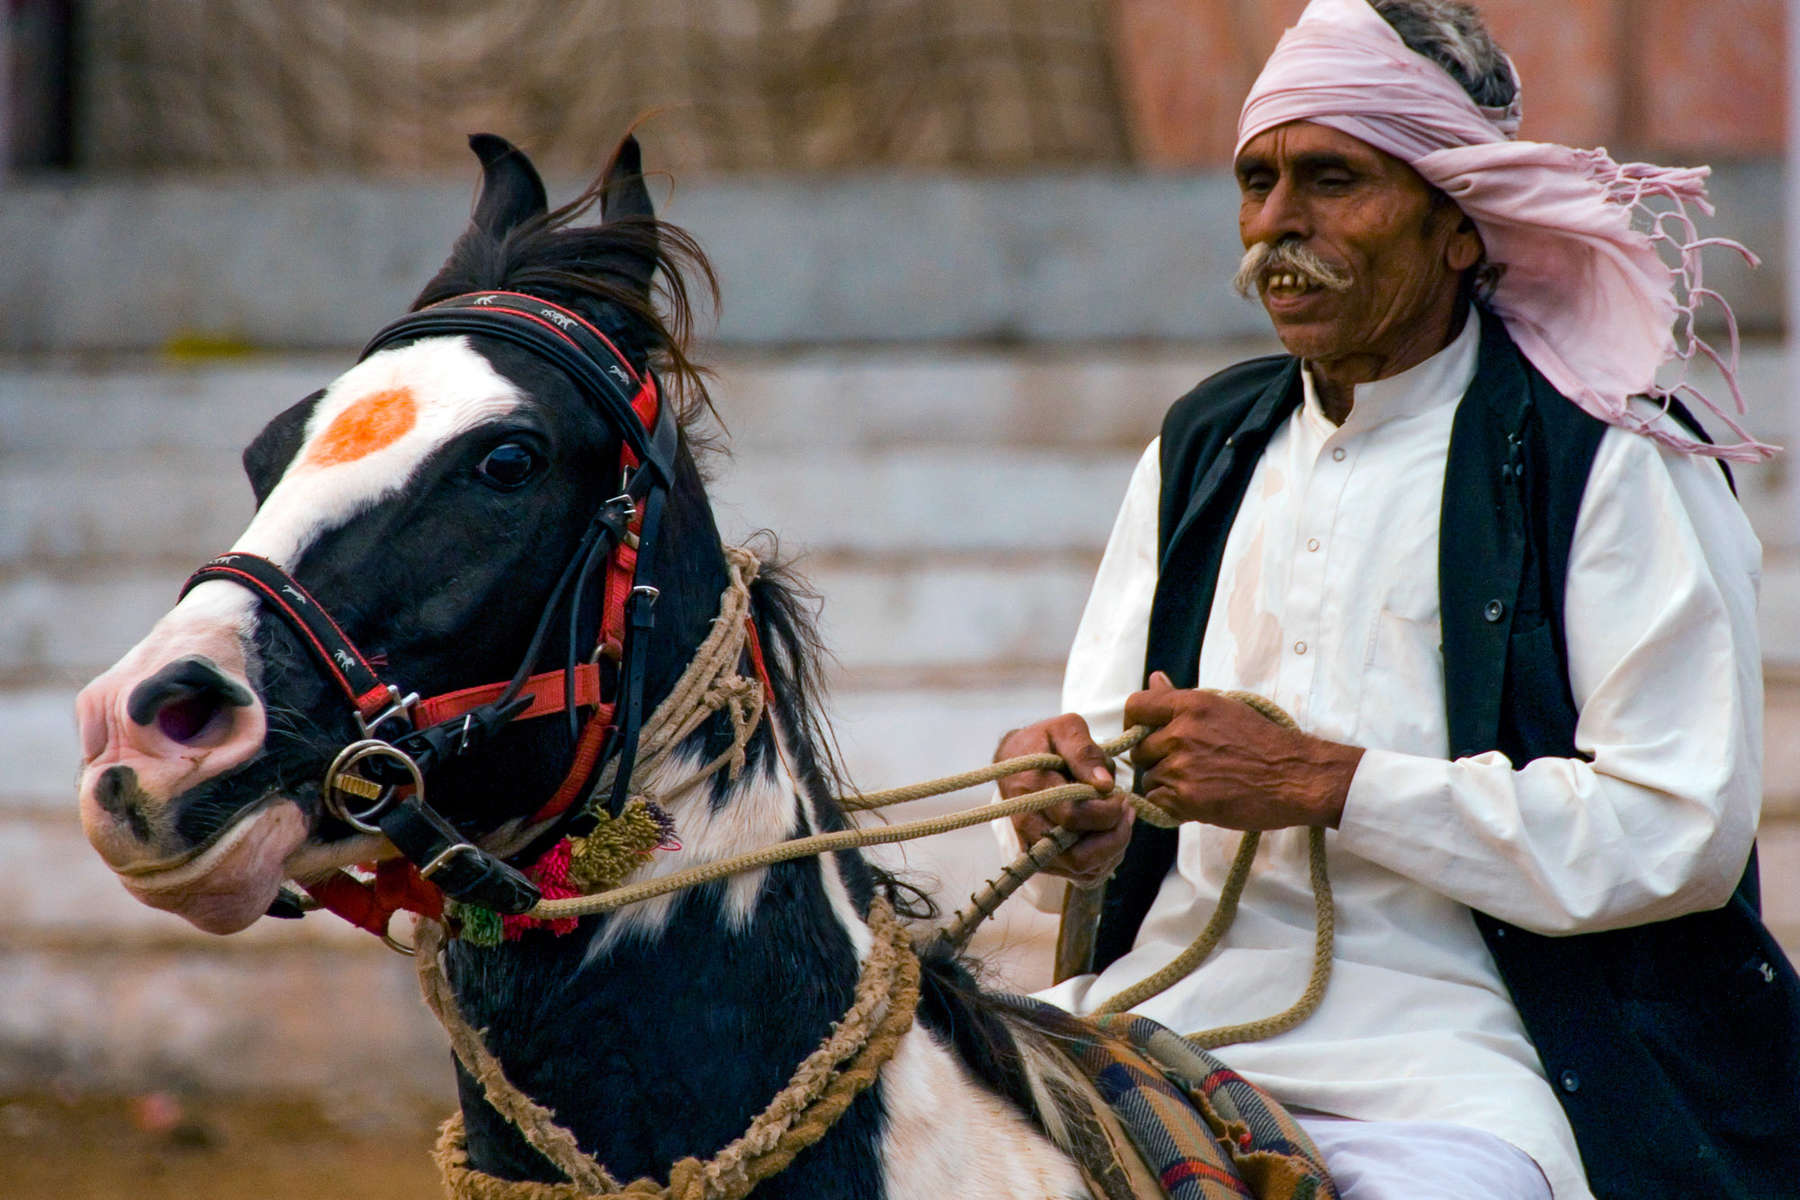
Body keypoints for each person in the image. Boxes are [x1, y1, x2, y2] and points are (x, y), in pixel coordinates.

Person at [993, 2, 1800, 1197]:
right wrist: (1076, 806)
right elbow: (1113, 755)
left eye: (1331, 181)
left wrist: (1326, 783)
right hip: (1165, 1011)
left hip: (1467, 1058)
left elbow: (1678, 827)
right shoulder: (1204, 442)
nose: (1276, 225)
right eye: (1256, 182)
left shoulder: (1610, 455)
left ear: (1460, 227)